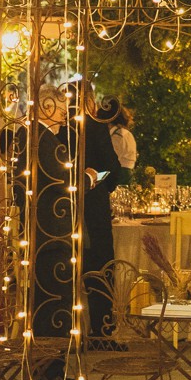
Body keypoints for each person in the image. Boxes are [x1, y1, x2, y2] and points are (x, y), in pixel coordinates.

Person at [21, 90, 79, 380]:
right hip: (51, 235)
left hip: (42, 233)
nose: (66, 112)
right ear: (47, 107)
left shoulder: (33, 137)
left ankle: (45, 369)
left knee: (47, 306)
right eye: (62, 107)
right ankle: (51, 373)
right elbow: (62, 181)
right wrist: (87, 179)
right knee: (55, 306)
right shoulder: (45, 141)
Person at [79, 95, 130, 340]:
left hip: (59, 208)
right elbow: (112, 166)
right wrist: (97, 184)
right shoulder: (93, 125)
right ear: (88, 100)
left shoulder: (55, 128)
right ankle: (102, 328)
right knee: (100, 266)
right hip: (92, 207)